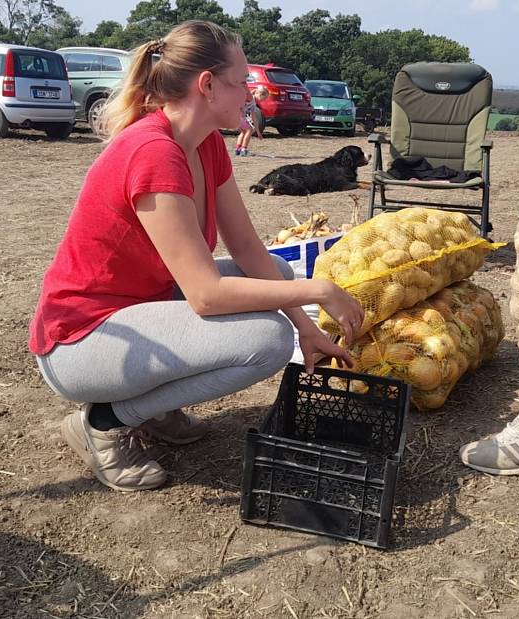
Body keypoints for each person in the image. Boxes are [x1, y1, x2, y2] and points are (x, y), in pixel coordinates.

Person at [28, 20, 363, 492]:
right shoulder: (153, 152)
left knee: (279, 274)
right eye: (242, 80)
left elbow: (249, 251)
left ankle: (153, 405)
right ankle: (106, 420)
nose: (250, 92)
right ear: (207, 85)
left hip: (138, 312)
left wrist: (306, 326)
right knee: (266, 340)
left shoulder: (205, 144)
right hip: (81, 341)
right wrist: (320, 290)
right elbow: (205, 296)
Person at [235, 85, 268, 156]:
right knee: (249, 130)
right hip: (238, 116)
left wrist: (258, 132)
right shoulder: (251, 99)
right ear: (260, 95)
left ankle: (238, 149)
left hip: (237, 116)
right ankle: (244, 150)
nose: (264, 100)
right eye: (264, 98)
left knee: (244, 131)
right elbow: (242, 99)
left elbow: (254, 118)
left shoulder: (253, 104)